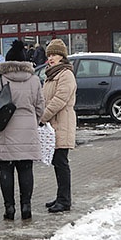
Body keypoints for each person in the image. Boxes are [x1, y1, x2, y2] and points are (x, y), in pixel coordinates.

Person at [0, 39, 44, 220]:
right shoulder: (33, 80)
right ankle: (26, 206)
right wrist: (33, 122)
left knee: (5, 171)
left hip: (3, 131)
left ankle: (9, 208)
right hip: (27, 132)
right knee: (26, 170)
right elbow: (40, 106)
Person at [41, 39, 77, 213]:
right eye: (49, 55)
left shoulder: (65, 74)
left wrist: (43, 116)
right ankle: (61, 196)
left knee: (61, 162)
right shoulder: (51, 75)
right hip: (53, 125)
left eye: (54, 54)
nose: (51, 58)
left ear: (62, 56)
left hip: (62, 123)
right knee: (57, 161)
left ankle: (65, 200)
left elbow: (59, 100)